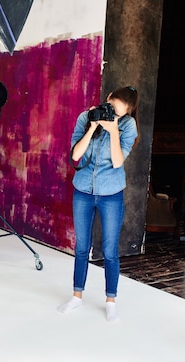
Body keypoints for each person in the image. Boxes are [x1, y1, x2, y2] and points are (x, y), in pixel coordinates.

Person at [57, 86, 139, 322]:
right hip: (83, 190)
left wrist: (113, 131)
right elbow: (76, 156)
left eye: (119, 113)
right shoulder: (86, 117)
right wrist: (93, 126)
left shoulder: (127, 126)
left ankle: (111, 302)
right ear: (108, 98)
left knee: (110, 249)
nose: (113, 114)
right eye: (111, 109)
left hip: (111, 193)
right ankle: (76, 296)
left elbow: (116, 162)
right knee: (82, 246)